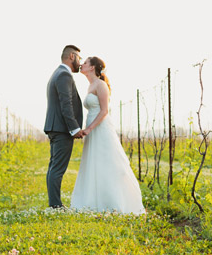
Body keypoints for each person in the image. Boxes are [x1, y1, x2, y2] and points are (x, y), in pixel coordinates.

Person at [70, 56, 145, 215]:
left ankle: (114, 201)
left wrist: (89, 129)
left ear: (92, 67)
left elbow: (104, 111)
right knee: (93, 162)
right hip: (92, 127)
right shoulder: (90, 86)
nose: (82, 64)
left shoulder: (101, 85)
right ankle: (92, 200)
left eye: (85, 63)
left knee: (107, 162)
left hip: (100, 128)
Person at [44, 45, 85, 209]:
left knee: (54, 167)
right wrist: (74, 129)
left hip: (55, 127)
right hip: (61, 129)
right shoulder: (63, 75)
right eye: (80, 59)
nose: (80, 63)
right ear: (72, 56)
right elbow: (66, 104)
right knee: (57, 169)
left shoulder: (57, 73)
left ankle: (54, 204)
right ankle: (55, 206)